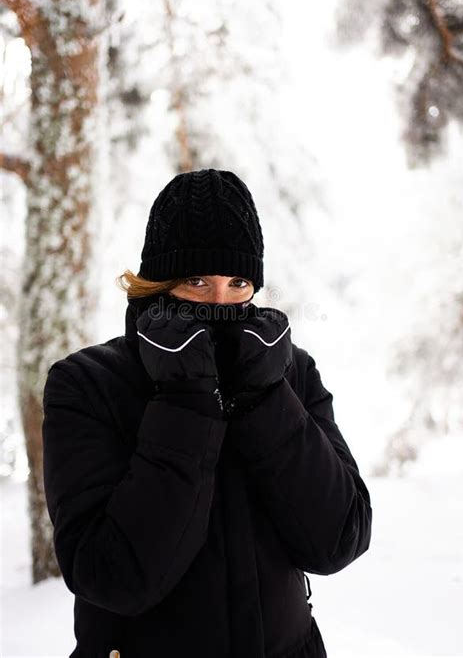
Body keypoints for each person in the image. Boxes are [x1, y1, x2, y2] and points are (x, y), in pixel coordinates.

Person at [42, 168, 372, 658]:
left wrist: (266, 399)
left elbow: (339, 538)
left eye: (237, 282)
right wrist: (185, 400)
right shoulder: (86, 384)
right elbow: (111, 577)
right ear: (157, 283)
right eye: (197, 281)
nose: (221, 301)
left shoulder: (289, 372)